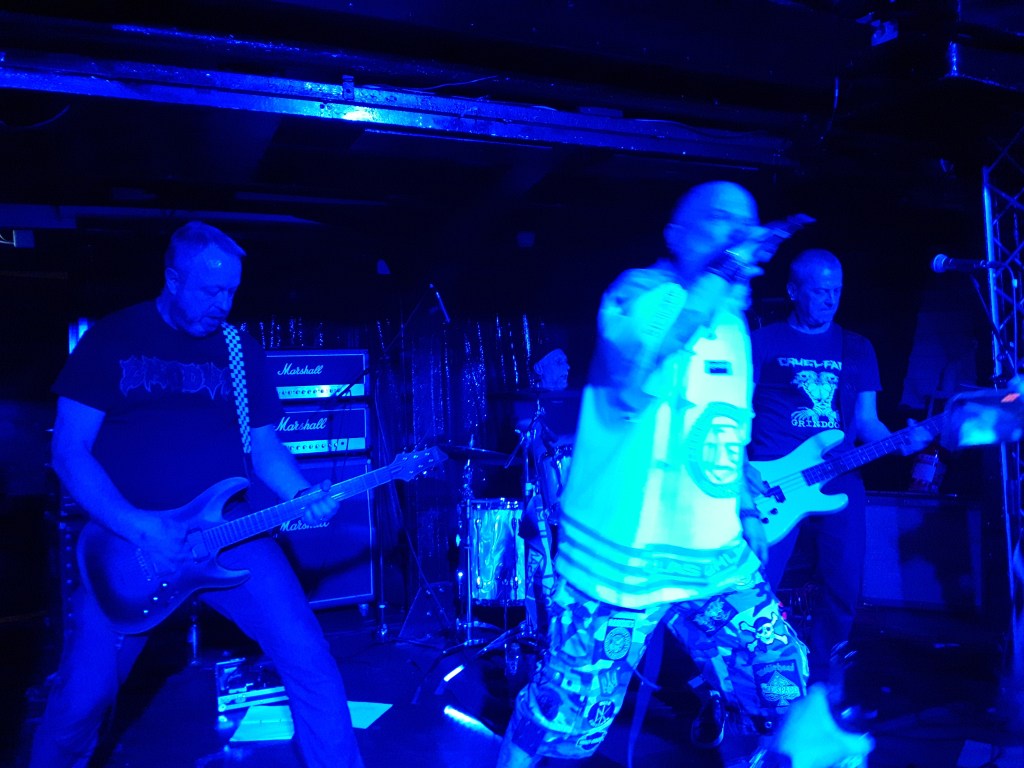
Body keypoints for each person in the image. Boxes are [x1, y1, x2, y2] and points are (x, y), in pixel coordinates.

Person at [497, 181, 834, 768]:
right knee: (564, 721)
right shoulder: (638, 294)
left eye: (748, 224)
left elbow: (727, 427)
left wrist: (744, 507)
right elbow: (634, 380)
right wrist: (726, 269)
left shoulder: (733, 325)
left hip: (715, 558)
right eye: (722, 220)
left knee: (778, 690)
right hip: (621, 563)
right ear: (676, 235)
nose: (741, 235)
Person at [30, 221, 366, 768]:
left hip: (231, 534)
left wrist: (303, 493)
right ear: (172, 278)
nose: (222, 304)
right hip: (128, 543)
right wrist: (139, 525)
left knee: (311, 661)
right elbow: (69, 452)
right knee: (80, 701)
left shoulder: (239, 350)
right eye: (210, 290)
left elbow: (264, 448)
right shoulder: (111, 339)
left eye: (231, 291)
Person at [748, 248, 930, 693]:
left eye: (837, 290)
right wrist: (738, 468)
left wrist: (903, 442)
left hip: (840, 477)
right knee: (757, 584)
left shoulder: (857, 347)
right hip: (773, 481)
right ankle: (756, 676)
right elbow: (736, 411)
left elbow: (867, 422)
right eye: (819, 291)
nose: (830, 300)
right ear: (793, 291)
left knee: (845, 584)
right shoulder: (762, 341)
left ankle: (824, 682)